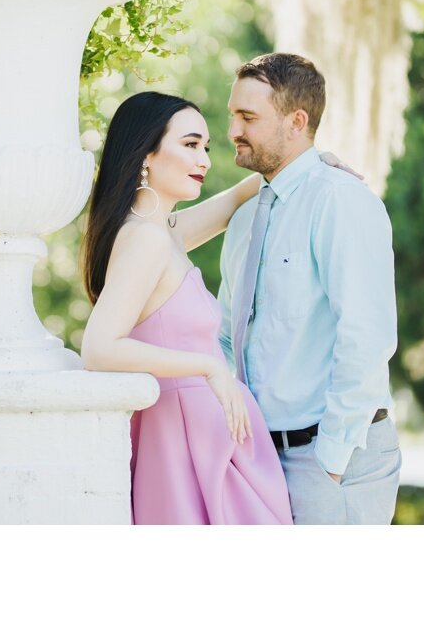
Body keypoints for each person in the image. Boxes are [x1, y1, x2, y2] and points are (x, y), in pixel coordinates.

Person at [80, 90, 359, 524]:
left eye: (205, 147)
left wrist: (307, 163)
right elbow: (98, 349)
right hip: (184, 444)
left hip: (209, 439)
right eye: (190, 145)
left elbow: (231, 204)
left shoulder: (163, 232)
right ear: (146, 155)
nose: (205, 160)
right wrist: (207, 368)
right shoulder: (146, 240)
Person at [217, 53, 400, 524]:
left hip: (331, 456)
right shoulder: (244, 220)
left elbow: (365, 335)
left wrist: (333, 460)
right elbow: (224, 335)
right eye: (233, 114)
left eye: (248, 117)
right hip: (259, 458)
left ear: (297, 121)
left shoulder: (339, 200)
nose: (233, 130)